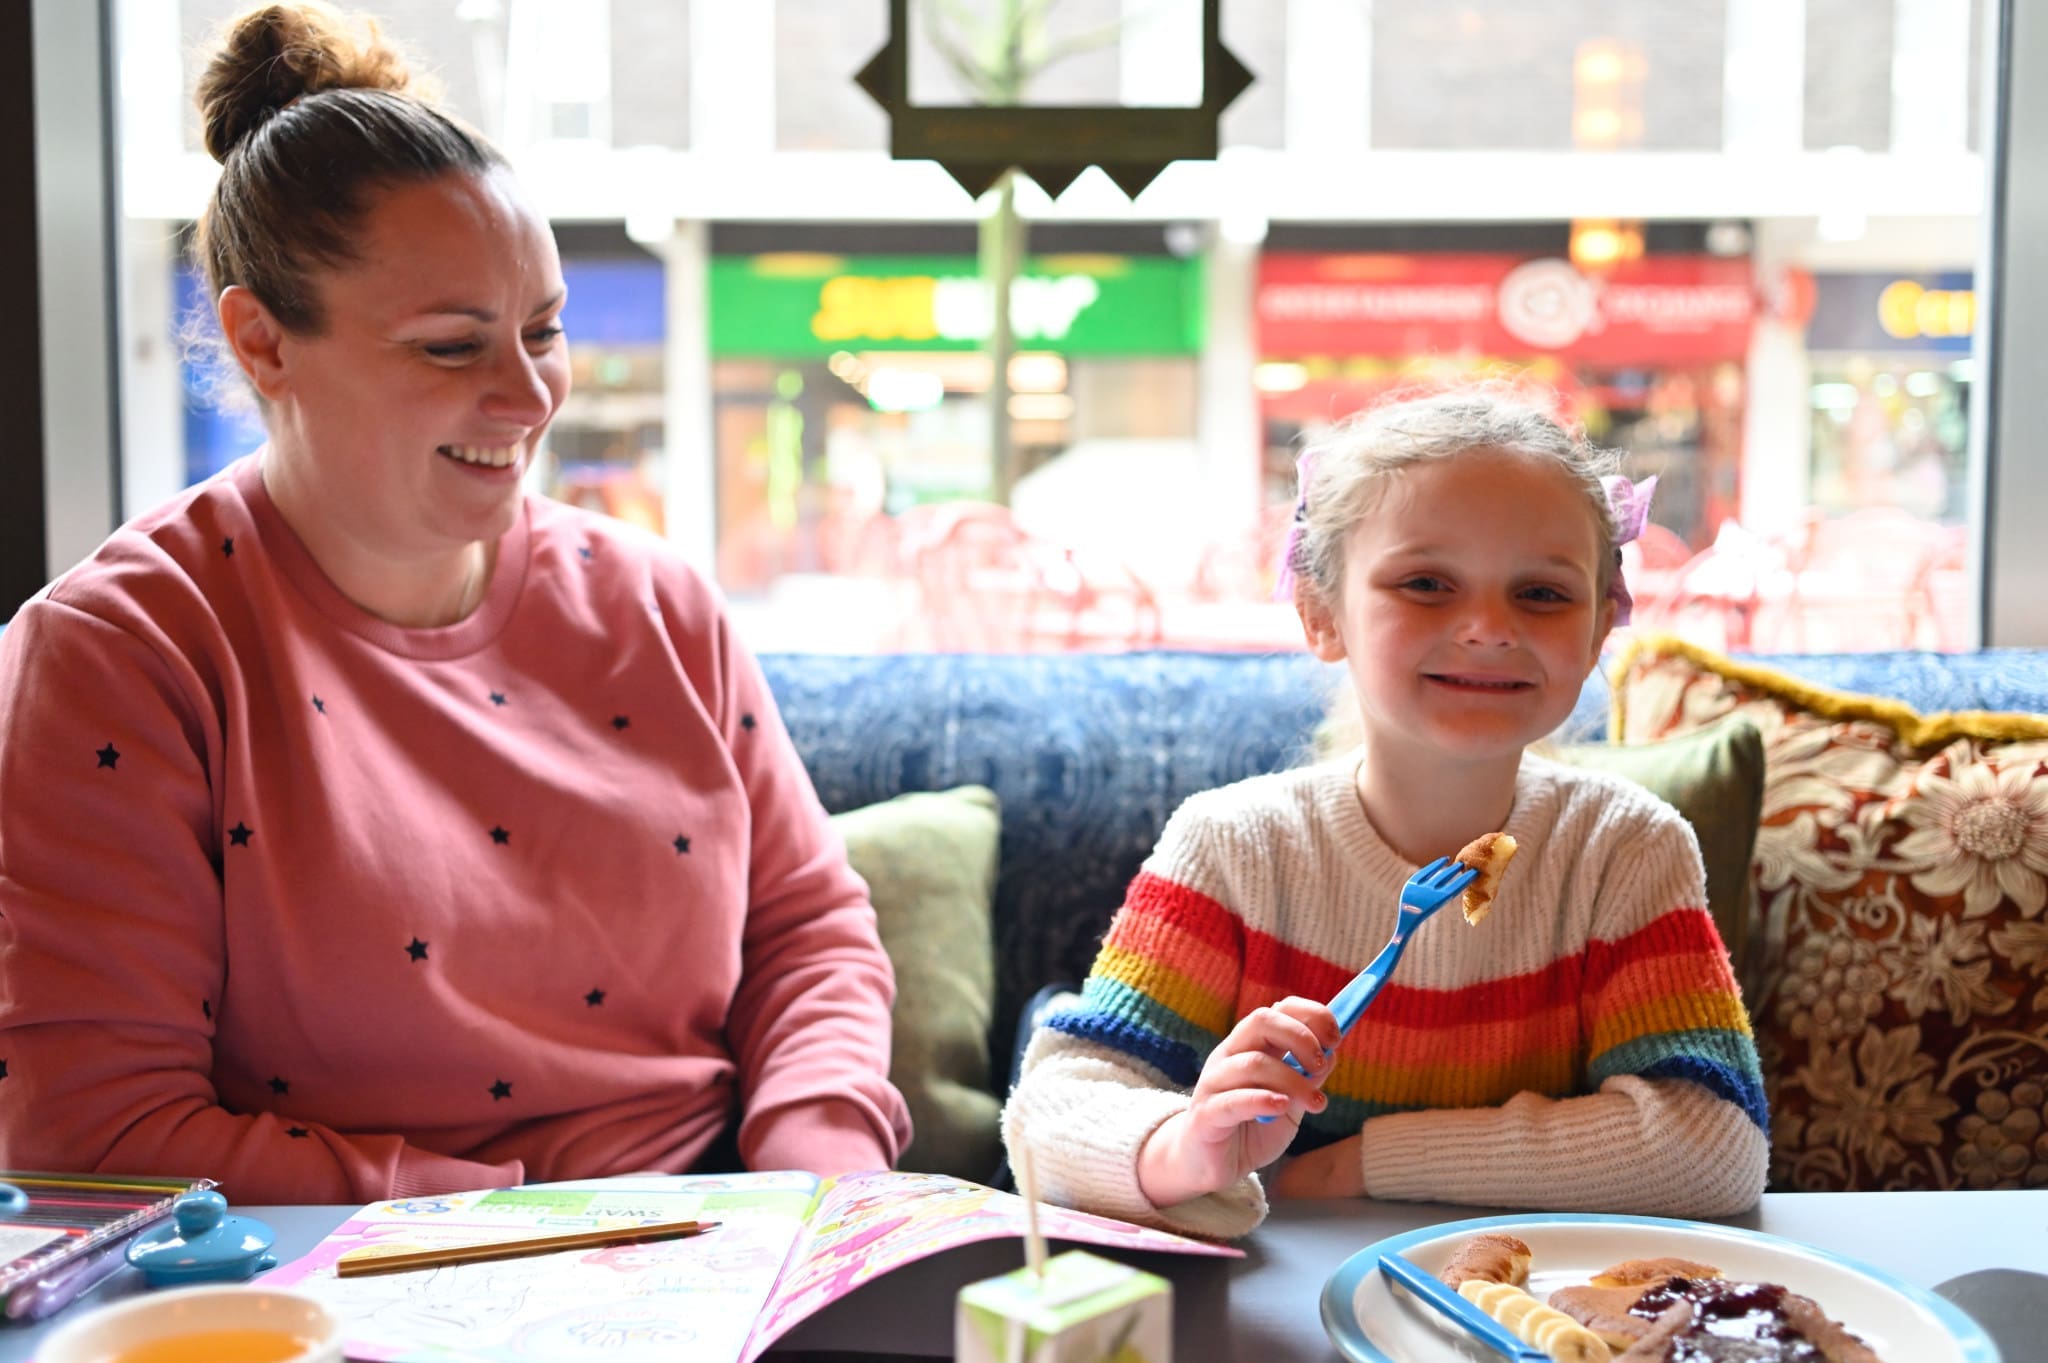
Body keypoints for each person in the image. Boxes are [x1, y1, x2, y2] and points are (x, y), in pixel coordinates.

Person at [0, 2, 909, 1205]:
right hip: (366, 1281)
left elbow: (806, 931)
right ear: (263, 344)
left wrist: (814, 1186)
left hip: (730, 1230)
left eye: (543, 331)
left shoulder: (656, 600)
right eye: (449, 347)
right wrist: (508, 1225)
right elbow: (89, 1128)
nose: (528, 394)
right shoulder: (122, 655)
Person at [1002, 389, 1768, 1239]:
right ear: (1321, 614)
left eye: (1543, 593)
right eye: (1426, 583)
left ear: (1597, 632)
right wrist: (1185, 1144)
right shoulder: (1231, 848)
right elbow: (1053, 1111)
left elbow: (1713, 1144)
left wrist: (1358, 1163)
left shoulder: (1627, 850)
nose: (1486, 627)